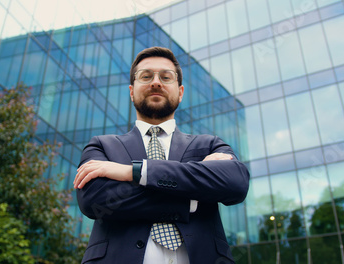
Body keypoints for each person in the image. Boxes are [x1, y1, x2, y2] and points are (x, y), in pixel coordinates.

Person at [74, 46, 250, 264]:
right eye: (146, 76)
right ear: (131, 91)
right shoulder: (102, 146)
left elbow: (236, 183)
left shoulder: (209, 145)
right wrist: (190, 196)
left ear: (181, 91)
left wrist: (135, 172)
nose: (155, 82)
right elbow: (95, 200)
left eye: (166, 77)